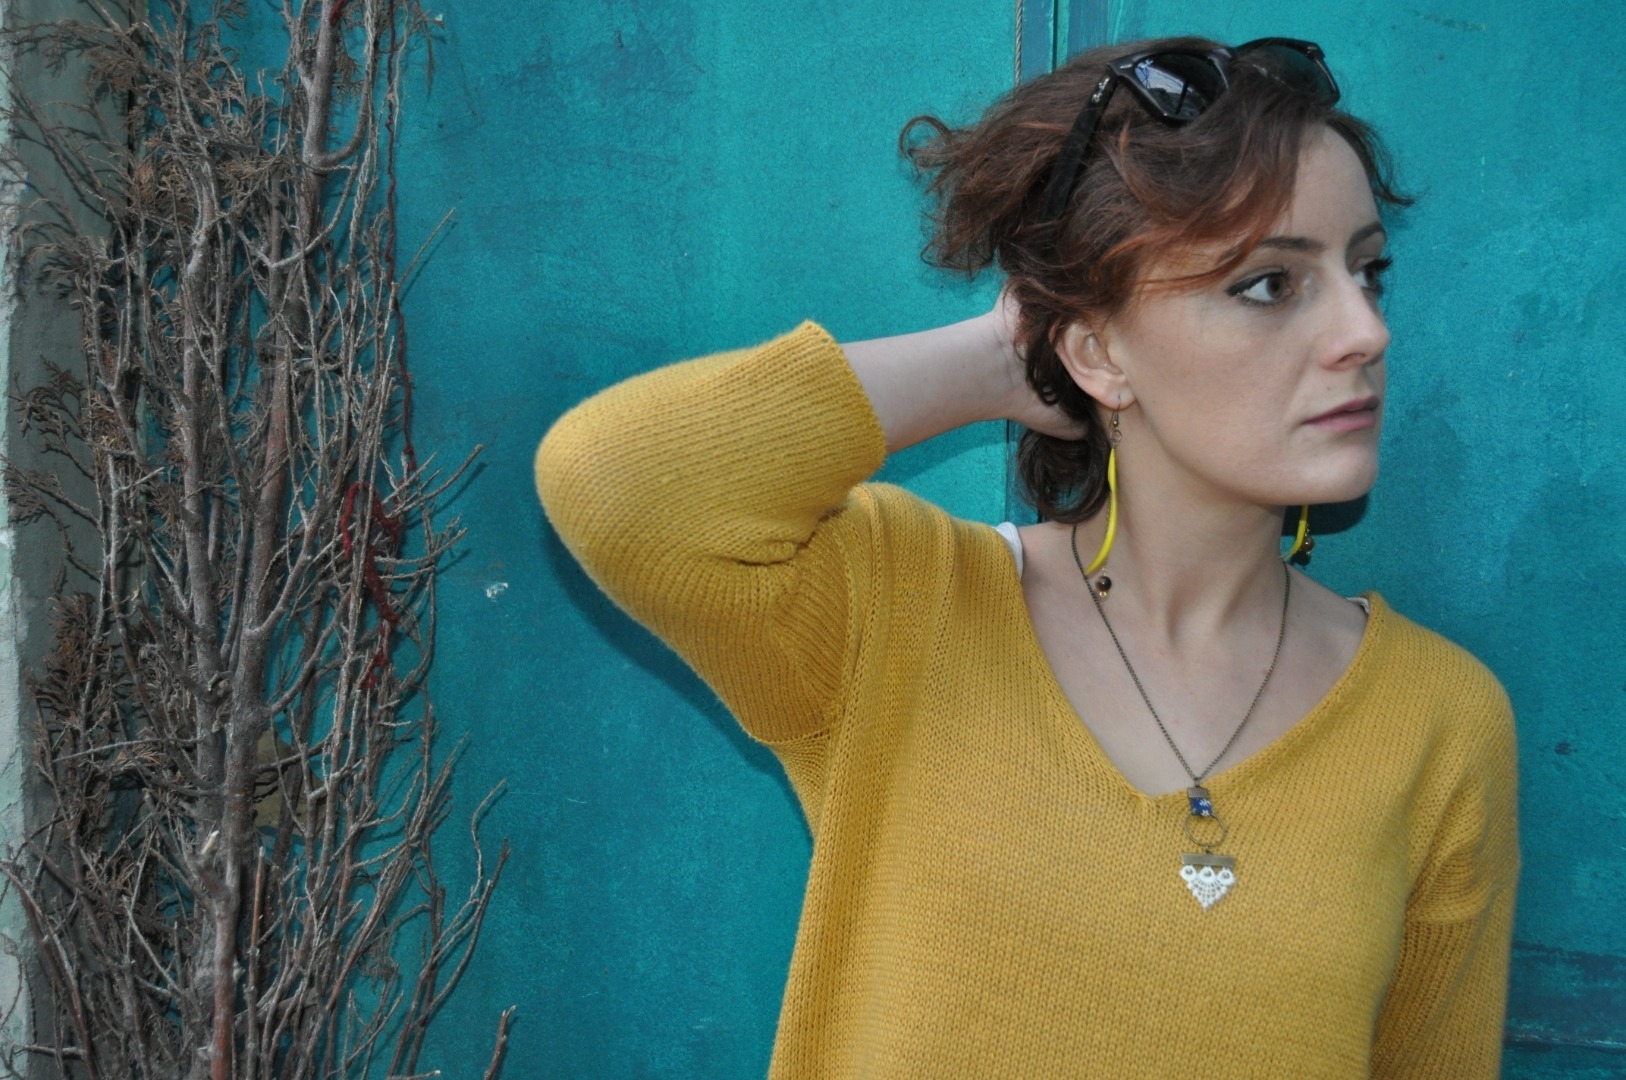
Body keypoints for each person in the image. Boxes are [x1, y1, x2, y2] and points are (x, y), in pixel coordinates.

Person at [535, 36, 1517, 1078]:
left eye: (1368, 271)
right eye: (1272, 283)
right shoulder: (901, 609)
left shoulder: (1439, 723)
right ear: (1099, 351)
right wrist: (1007, 359)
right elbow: (616, 484)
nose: (1367, 331)